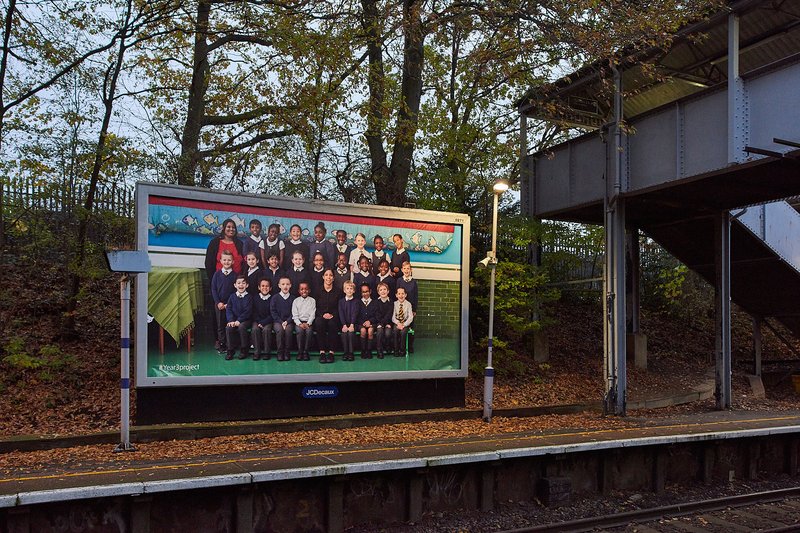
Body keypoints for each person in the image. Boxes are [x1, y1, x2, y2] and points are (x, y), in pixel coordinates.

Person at [210, 250, 237, 352]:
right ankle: (222, 344)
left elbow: (235, 291)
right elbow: (213, 289)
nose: (226, 262)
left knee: (229, 324)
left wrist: (228, 304)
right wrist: (218, 302)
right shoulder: (217, 275)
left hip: (230, 305)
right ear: (220, 261)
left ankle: (231, 344)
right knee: (220, 325)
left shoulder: (235, 276)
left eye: (229, 260)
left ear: (233, 261)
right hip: (219, 305)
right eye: (224, 260)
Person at [225, 275, 252, 361]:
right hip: (234, 320)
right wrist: (231, 320)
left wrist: (239, 320)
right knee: (228, 328)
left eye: (243, 283)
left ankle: (244, 349)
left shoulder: (249, 297)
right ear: (235, 285)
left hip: (245, 320)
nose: (241, 285)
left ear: (247, 285)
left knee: (241, 327)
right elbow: (228, 309)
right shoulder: (232, 297)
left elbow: (248, 311)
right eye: (239, 283)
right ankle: (230, 350)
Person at [315, 269, 339, 363]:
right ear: (323, 277)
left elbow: (339, 307)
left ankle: (331, 353)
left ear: (333, 278)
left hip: (333, 316)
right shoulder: (317, 290)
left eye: (330, 275)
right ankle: (322, 352)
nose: (328, 277)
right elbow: (315, 306)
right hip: (321, 315)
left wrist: (332, 315)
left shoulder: (338, 291)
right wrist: (322, 314)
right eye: (326, 275)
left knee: (333, 324)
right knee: (319, 323)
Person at [396, 261, 418, 353]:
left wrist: (414, 309)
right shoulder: (399, 280)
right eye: (404, 268)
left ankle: (410, 345)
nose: (406, 270)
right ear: (402, 270)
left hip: (410, 308)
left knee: (410, 327)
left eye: (408, 268)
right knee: (400, 327)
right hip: (401, 308)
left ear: (411, 270)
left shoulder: (414, 282)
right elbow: (397, 294)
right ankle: (400, 346)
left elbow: (416, 296)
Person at [270, 277, 295, 361]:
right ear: (279, 285)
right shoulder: (275, 298)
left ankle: (287, 352)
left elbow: (294, 312)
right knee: (279, 330)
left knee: (288, 330)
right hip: (278, 321)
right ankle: (280, 352)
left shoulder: (293, 298)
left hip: (289, 321)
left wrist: (287, 321)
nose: (285, 286)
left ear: (290, 285)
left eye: (287, 284)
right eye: (283, 284)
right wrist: (281, 322)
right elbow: (273, 312)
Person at [292, 282, 316, 361]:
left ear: (309, 290)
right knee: (299, 331)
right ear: (299, 291)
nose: (304, 291)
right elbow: (294, 315)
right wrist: (299, 323)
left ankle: (306, 351)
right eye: (302, 289)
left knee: (309, 332)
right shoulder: (296, 301)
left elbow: (313, 314)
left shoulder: (312, 301)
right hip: (299, 322)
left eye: (306, 289)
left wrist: (308, 323)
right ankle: (300, 351)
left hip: (309, 322)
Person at [251, 278, 274, 360]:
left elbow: (273, 313)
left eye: (267, 286)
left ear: (270, 288)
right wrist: (259, 322)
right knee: (255, 329)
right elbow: (253, 312)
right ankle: (257, 352)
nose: (265, 288)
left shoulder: (273, 298)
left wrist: (264, 322)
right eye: (263, 286)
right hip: (257, 320)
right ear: (259, 287)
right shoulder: (255, 298)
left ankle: (266, 352)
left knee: (266, 330)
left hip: (268, 321)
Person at [338, 281, 358, 361]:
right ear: (344, 290)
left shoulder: (356, 302)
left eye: (351, 288)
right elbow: (341, 313)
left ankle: (351, 352)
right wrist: (344, 325)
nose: (349, 290)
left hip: (353, 324)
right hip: (344, 324)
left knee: (350, 333)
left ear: (354, 291)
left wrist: (352, 324)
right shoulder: (341, 302)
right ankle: (345, 352)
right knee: (344, 333)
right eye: (347, 288)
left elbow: (355, 313)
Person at [373, 282, 393, 358]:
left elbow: (389, 314)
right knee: (380, 332)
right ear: (378, 292)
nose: (383, 291)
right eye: (381, 290)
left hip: (388, 322)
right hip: (379, 322)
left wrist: (385, 323)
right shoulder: (376, 302)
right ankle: (379, 350)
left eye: (385, 289)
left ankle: (387, 346)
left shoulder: (391, 302)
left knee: (388, 333)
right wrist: (381, 324)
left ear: (388, 291)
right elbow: (377, 314)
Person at [392, 286, 413, 356]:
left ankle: (402, 350)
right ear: (396, 295)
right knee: (395, 331)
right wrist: (398, 323)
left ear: (405, 295)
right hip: (397, 323)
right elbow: (393, 317)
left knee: (403, 332)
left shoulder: (408, 304)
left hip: (405, 323)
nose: (401, 295)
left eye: (403, 293)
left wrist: (404, 324)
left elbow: (410, 317)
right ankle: (396, 350)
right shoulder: (394, 304)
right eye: (399, 294)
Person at [357, 284, 376, 359]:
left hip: (372, 323)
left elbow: (376, 316)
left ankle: (369, 350)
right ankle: (363, 350)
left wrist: (370, 321)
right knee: (363, 330)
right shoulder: (358, 302)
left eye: (367, 291)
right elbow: (356, 315)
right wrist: (363, 323)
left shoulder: (374, 302)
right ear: (361, 293)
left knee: (370, 330)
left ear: (370, 291)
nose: (365, 293)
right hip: (360, 323)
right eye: (363, 292)